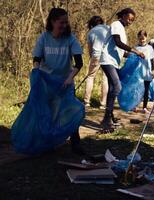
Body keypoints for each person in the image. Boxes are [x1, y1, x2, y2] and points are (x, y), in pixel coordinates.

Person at [32, 8, 85, 154]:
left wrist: (69, 79)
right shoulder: (44, 38)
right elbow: (36, 59)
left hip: (65, 81)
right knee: (48, 112)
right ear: (52, 22)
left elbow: (79, 63)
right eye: (61, 22)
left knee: (70, 111)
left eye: (66, 23)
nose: (64, 25)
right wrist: (37, 72)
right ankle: (47, 142)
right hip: (47, 82)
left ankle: (76, 144)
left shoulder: (71, 39)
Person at [99, 8, 145, 133]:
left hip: (114, 62)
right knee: (117, 87)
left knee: (112, 89)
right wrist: (135, 50)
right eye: (129, 19)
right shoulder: (116, 24)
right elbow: (117, 42)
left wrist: (132, 56)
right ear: (123, 16)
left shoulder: (122, 30)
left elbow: (121, 51)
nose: (130, 22)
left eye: (132, 20)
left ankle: (109, 117)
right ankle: (106, 119)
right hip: (107, 60)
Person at [84, 16, 109, 109]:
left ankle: (86, 102)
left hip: (96, 55)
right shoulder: (108, 28)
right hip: (106, 56)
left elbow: (90, 49)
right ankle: (103, 103)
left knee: (90, 77)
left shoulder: (91, 32)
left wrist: (92, 58)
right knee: (105, 78)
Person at [135, 30, 154, 114]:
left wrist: (153, 70)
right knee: (137, 89)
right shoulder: (135, 48)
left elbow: (152, 60)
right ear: (138, 38)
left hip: (147, 71)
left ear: (146, 38)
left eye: (143, 38)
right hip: (138, 72)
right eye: (140, 39)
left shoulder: (149, 48)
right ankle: (135, 105)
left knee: (146, 90)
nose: (142, 40)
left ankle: (144, 107)